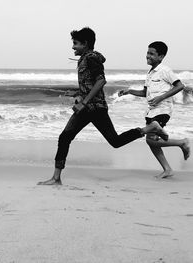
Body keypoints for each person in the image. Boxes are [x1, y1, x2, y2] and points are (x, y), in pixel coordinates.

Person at [37, 27, 168, 185]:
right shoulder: (85, 58)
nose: (73, 47)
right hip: (88, 108)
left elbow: (101, 81)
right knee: (68, 138)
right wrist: (77, 93)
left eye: (75, 43)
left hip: (95, 108)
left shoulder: (91, 58)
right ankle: (56, 178)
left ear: (85, 44)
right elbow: (90, 84)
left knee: (111, 141)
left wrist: (84, 101)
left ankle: (149, 128)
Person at [118, 41, 190, 179]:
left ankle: (182, 142)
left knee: (151, 136)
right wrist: (129, 91)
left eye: (152, 54)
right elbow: (145, 93)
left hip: (163, 110)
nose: (147, 56)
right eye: (147, 53)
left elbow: (180, 86)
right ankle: (168, 168)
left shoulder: (165, 70)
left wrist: (161, 97)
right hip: (151, 111)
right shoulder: (150, 73)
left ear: (161, 56)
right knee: (151, 141)